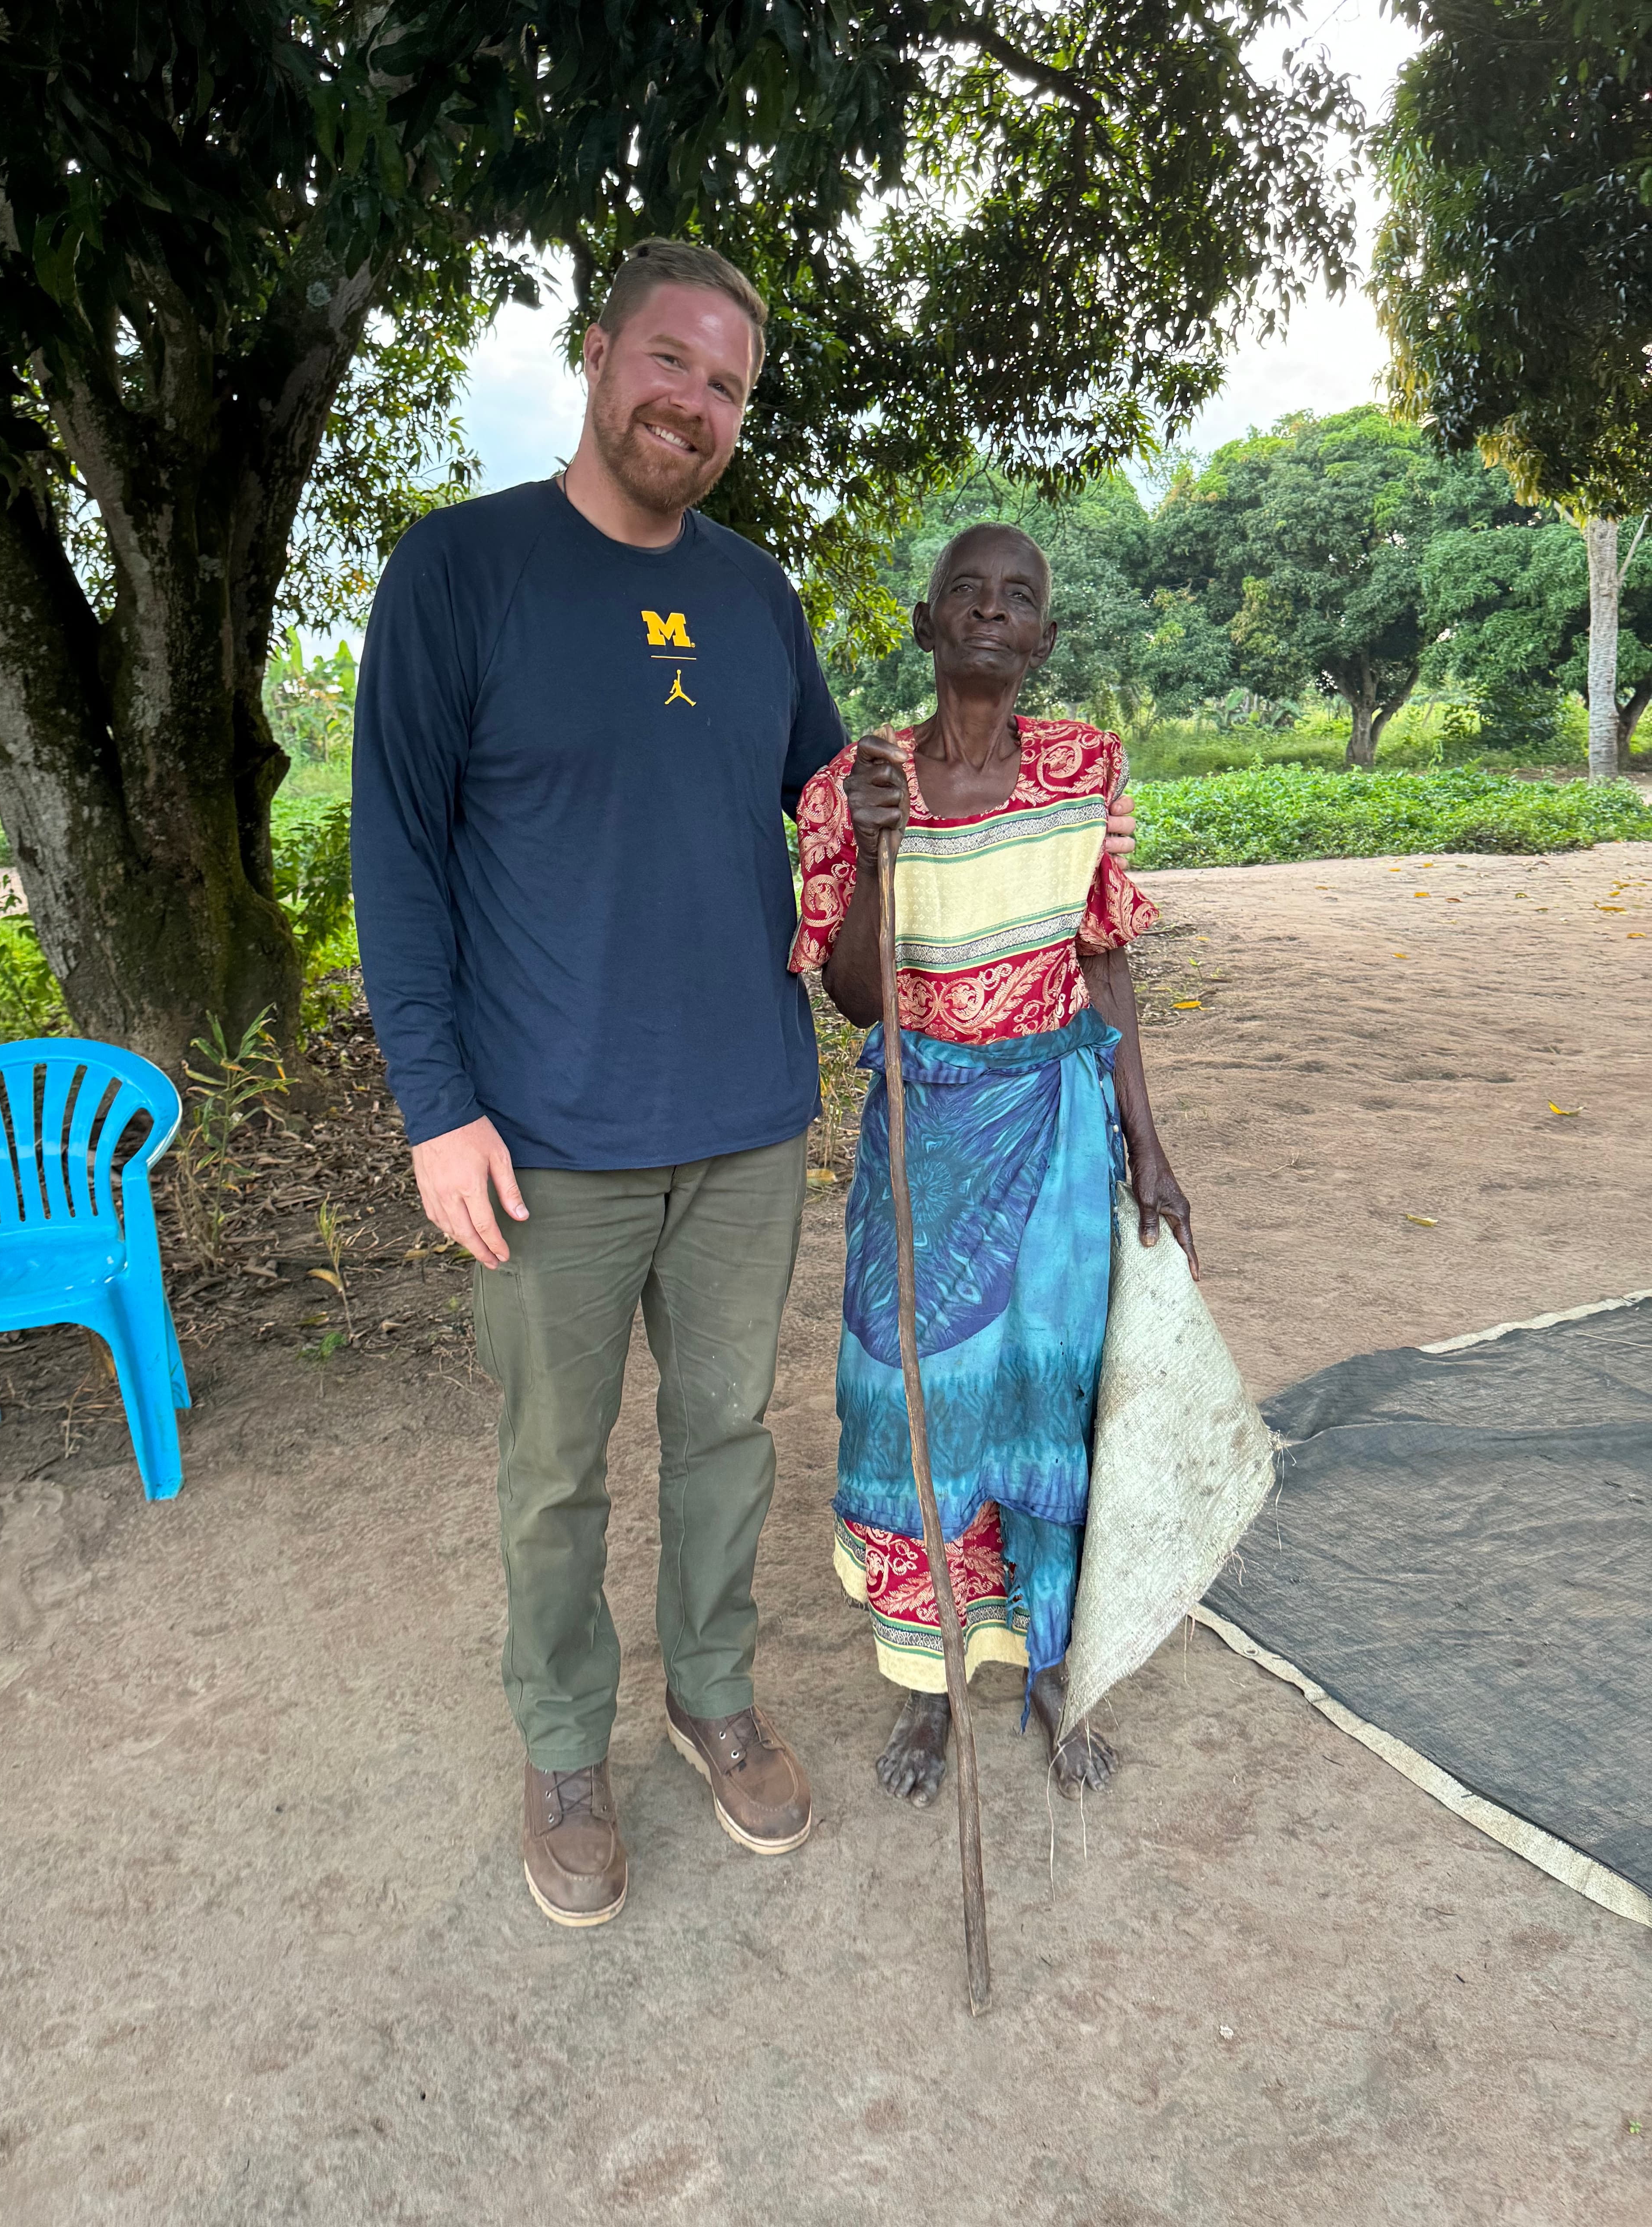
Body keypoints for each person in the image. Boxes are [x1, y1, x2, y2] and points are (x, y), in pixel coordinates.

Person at [354, 237, 1139, 1924]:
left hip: (745, 1116)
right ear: (598, 351)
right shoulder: (460, 571)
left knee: (724, 1436)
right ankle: (567, 1744)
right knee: (554, 1462)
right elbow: (398, 856)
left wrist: (1013, 778)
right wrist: (436, 1104)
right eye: (671, 362)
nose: (693, 404)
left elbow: (850, 797)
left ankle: (712, 1693)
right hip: (541, 1136)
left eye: (725, 388)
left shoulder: (752, 593)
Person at [789, 521, 1194, 1807]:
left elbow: (1106, 961)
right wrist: (872, 852)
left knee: (1053, 1411)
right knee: (904, 1404)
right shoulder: (854, 784)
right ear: (925, 623)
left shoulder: (1086, 770)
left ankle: (1058, 1672)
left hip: (1065, 1137)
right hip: (927, 1135)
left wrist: (1151, 1152)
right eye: (967, 590)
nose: (992, 610)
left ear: (1045, 640)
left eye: (1020, 597)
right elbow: (859, 1000)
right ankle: (930, 1682)